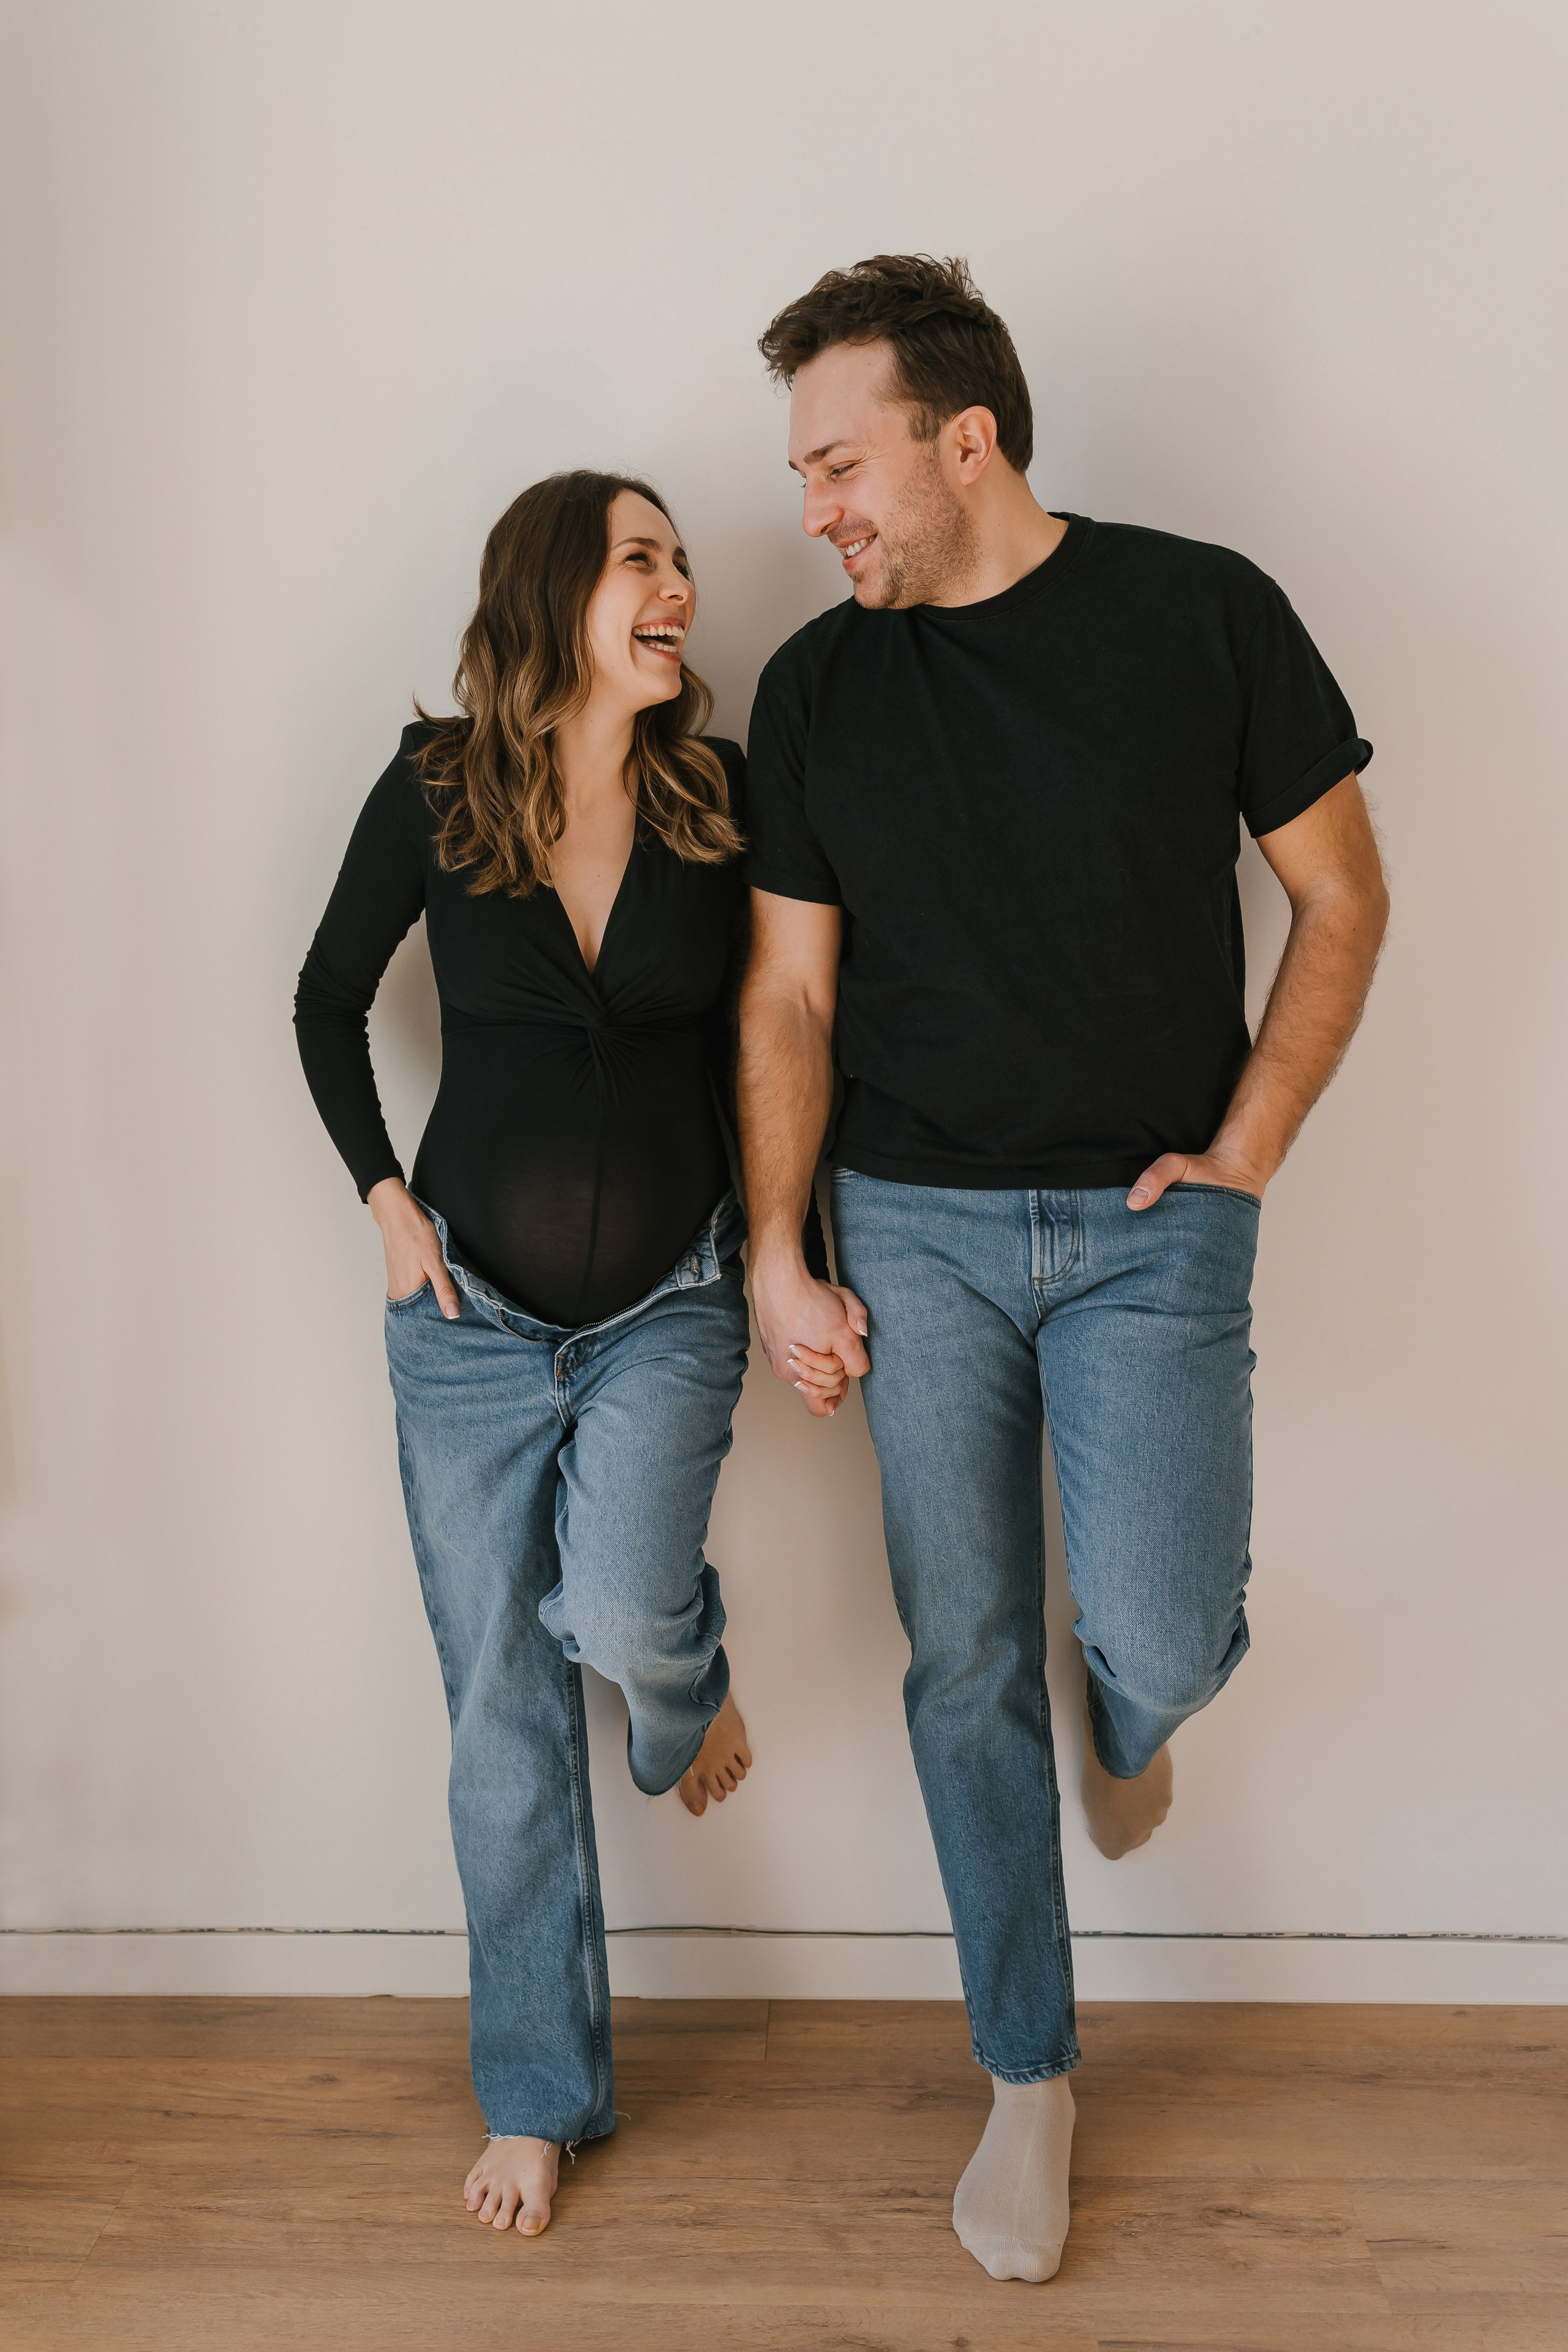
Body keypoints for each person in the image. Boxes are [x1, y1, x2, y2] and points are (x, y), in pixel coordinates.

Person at [737, 255, 1389, 2285]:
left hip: (1147, 1227)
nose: (814, 508)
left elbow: (1342, 897)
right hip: (911, 1229)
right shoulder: (818, 687)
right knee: (961, 1658)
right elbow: (788, 996)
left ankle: (1135, 1712)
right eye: (800, 472)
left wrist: (1244, 1160)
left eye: (838, 463)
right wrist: (777, 1249)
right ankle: (1028, 2074)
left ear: (967, 439)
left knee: (1169, 1630)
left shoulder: (1205, 613)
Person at [294, 470, 777, 2241]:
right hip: (466, 1326)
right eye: (642, 560)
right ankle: (539, 2098)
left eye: (681, 562)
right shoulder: (435, 788)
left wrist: (794, 1249)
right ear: (554, 589)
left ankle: (682, 1685)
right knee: (500, 1710)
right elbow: (324, 1000)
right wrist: (385, 1203)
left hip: (673, 1298)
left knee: (630, 1607)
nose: (680, 586)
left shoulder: (720, 798)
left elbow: (789, 1024)